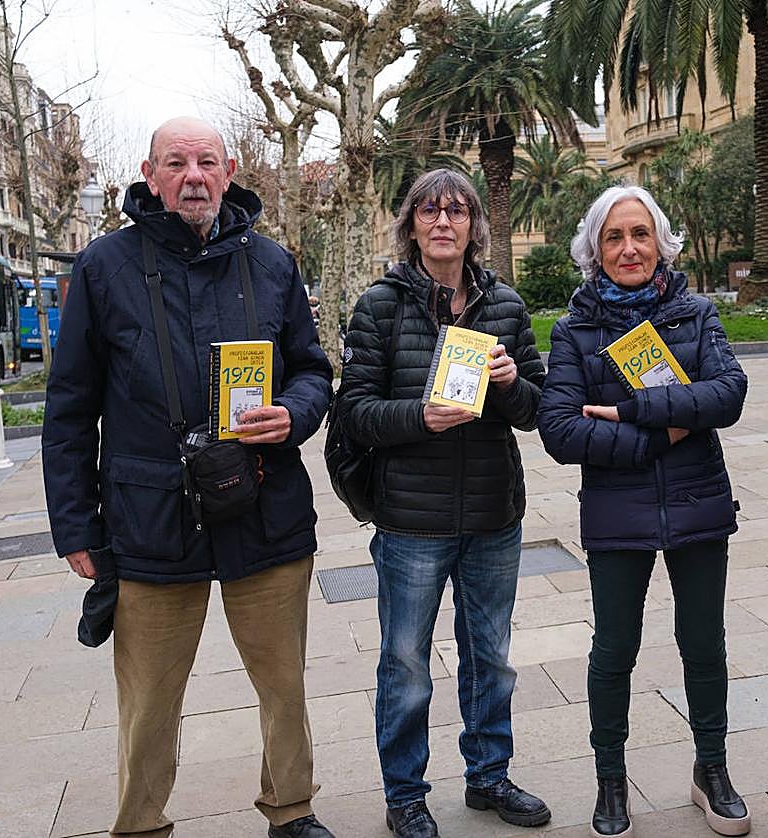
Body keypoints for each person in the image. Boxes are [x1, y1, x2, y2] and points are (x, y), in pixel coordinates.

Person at [42, 116, 335, 838]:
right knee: (148, 700)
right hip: (150, 519)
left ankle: (291, 808)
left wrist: (293, 413)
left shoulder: (273, 263)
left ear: (230, 172)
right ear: (150, 176)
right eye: (176, 163)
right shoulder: (104, 266)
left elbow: (312, 370)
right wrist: (75, 526)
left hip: (265, 504)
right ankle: (141, 824)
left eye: (207, 162)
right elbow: (70, 408)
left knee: (285, 685)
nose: (194, 176)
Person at [333, 168, 549, 838]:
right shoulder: (379, 306)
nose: (443, 222)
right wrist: (419, 417)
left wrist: (511, 385)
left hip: (492, 515)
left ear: (474, 225)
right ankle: (405, 795)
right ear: (412, 225)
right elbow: (354, 413)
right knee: (406, 665)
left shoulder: (505, 305)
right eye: (429, 211)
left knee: (492, 658)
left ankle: (489, 777)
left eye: (457, 211)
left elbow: (537, 410)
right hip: (410, 523)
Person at [537, 186, 751, 838]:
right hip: (616, 512)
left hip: (697, 502)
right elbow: (560, 430)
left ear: (660, 242)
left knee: (704, 643)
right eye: (614, 237)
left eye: (640, 234)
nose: (629, 248)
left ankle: (711, 770)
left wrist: (634, 412)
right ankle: (611, 777)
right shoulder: (575, 331)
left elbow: (729, 393)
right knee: (614, 649)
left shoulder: (695, 315)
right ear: (595, 250)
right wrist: (662, 437)